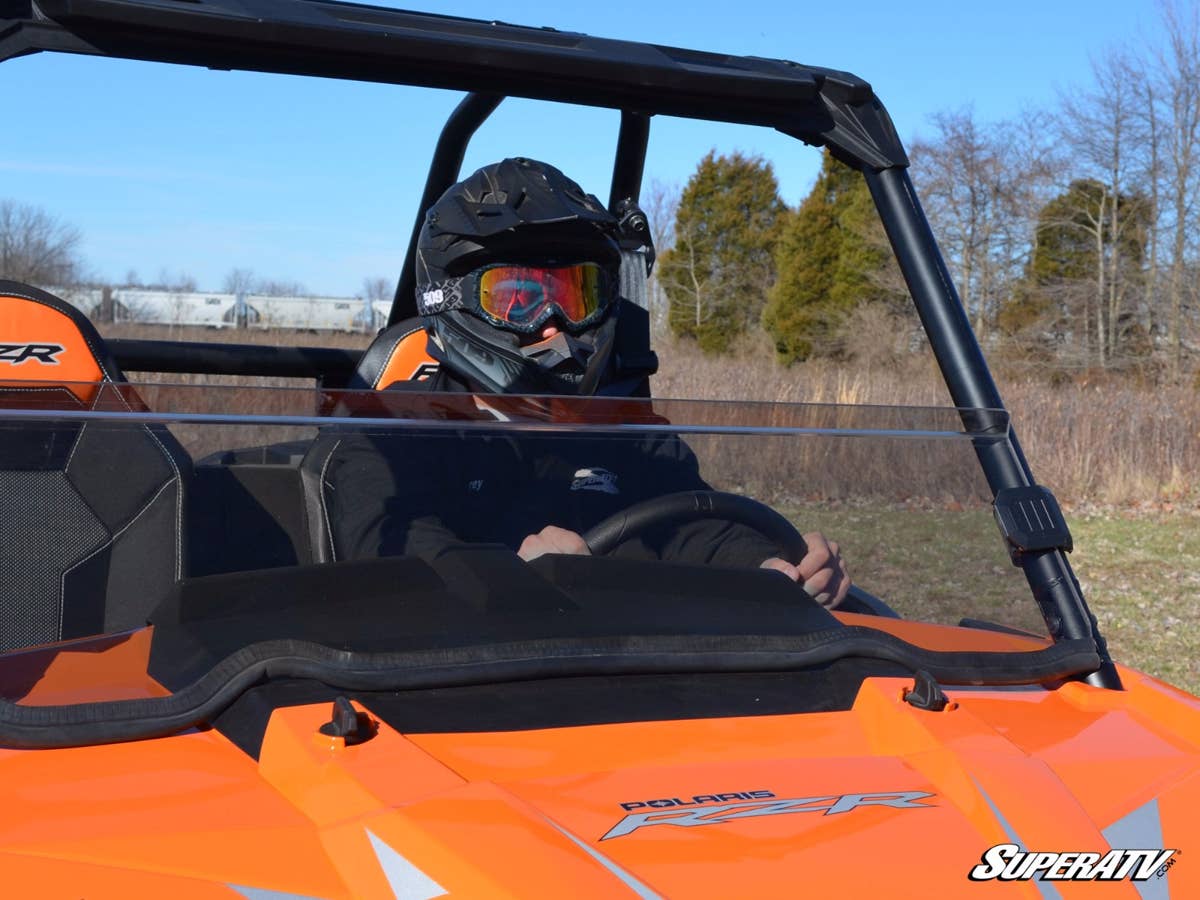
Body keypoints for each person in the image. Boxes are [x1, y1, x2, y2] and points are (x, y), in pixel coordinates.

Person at [327, 157, 849, 607]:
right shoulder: (391, 438)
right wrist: (506, 573)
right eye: (518, 298)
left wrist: (771, 565)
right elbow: (396, 556)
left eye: (576, 296)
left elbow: (693, 524)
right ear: (451, 299)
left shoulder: (625, 432)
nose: (553, 323)